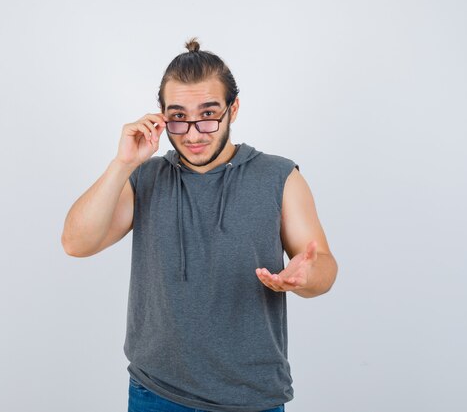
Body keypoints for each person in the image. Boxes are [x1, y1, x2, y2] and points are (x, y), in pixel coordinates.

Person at [61, 38, 338, 412]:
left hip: (253, 397)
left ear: (233, 109)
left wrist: (305, 276)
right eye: (178, 117)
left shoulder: (279, 176)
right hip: (156, 393)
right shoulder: (146, 177)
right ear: (161, 116)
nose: (192, 134)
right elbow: (76, 243)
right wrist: (122, 164)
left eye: (208, 115)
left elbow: (323, 266)